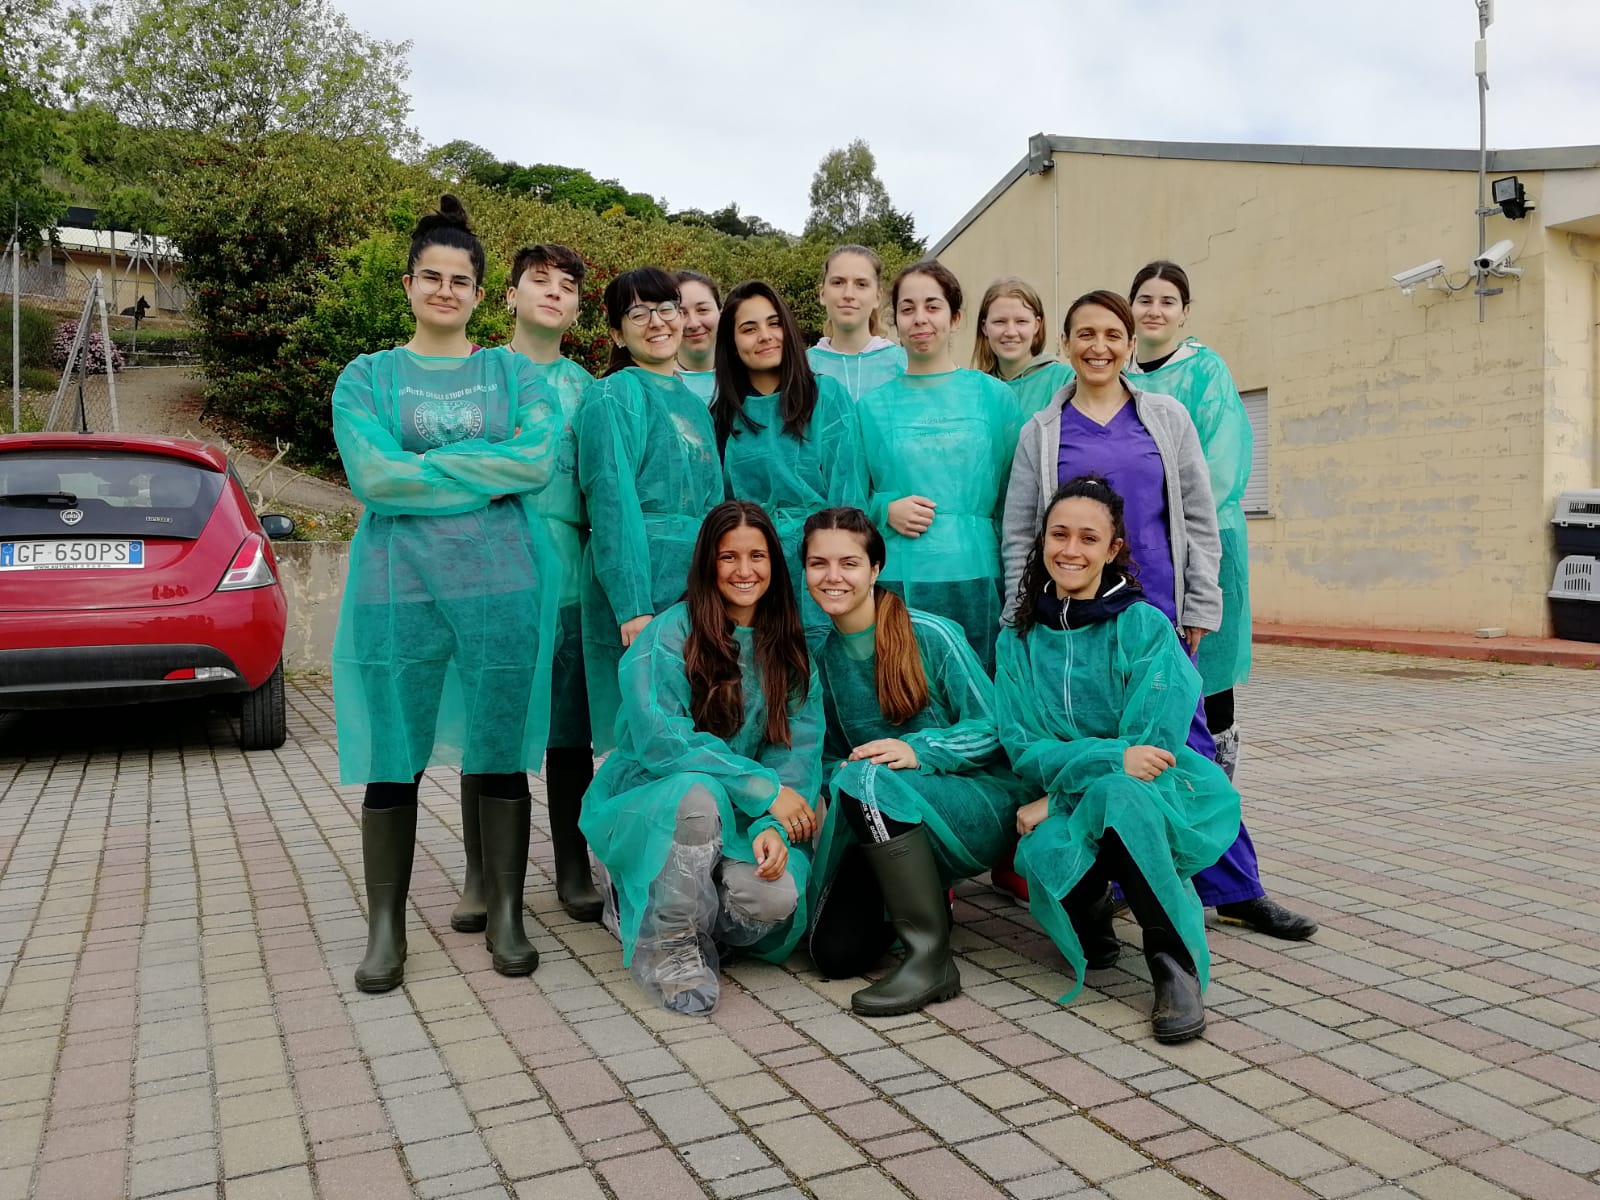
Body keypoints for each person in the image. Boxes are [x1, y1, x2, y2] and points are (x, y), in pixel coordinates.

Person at [1001, 289, 1316, 940]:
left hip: (1156, 613)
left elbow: (1199, 518)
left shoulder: (1165, 418)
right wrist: (1019, 614)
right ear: (1065, 344)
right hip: (1076, 621)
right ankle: (1121, 881)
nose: (1099, 347)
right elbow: (1020, 532)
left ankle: (1236, 889)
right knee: (1108, 746)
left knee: (1186, 748)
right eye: (1085, 334)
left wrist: (1200, 603)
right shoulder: (1042, 431)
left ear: (1129, 344)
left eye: (1112, 335)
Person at [331, 196, 561, 991]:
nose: (445, 290)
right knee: (392, 755)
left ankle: (506, 913)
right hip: (396, 586)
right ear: (408, 284)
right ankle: (386, 930)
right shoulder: (367, 377)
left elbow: (536, 462)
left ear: (479, 292)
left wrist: (425, 468)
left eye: (460, 280)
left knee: (501, 748)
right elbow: (375, 477)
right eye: (431, 276)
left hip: (504, 583)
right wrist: (480, 470)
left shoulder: (512, 372)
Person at [1001, 476, 1241, 1042]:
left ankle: (1173, 964)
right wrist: (1101, 766)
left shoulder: (1143, 626)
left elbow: (1149, 752)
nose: (1071, 550)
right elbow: (1022, 745)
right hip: (1066, 797)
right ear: (1042, 542)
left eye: (1089, 538)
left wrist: (1061, 796)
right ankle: (1093, 918)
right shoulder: (1019, 637)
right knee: (1061, 839)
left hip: (1153, 798)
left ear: (1112, 550)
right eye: (1059, 535)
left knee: (1121, 795)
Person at [579, 501, 824, 1015]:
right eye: (728, 556)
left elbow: (797, 754)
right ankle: (671, 940)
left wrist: (773, 826)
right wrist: (762, 790)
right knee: (697, 793)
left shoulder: (788, 649)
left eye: (757, 556)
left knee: (772, 900)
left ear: (775, 565)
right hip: (658, 800)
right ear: (708, 563)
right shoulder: (669, 635)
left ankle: (676, 908)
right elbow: (662, 740)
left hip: (744, 814)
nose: (744, 570)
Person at [803, 507, 1032, 1015]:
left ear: (875, 569)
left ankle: (931, 959)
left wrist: (918, 751)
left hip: (976, 804)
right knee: (834, 954)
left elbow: (994, 729)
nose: (833, 576)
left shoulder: (930, 633)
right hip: (881, 819)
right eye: (819, 564)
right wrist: (843, 773)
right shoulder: (821, 658)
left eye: (849, 563)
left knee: (868, 778)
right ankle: (922, 902)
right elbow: (826, 757)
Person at [446, 243, 601, 931]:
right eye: (540, 281)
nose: (554, 293)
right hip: (490, 568)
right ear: (508, 295)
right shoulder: (474, 377)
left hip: (568, 574)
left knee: (569, 734)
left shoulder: (590, 391)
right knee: (491, 728)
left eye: (568, 286)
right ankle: (480, 875)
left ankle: (572, 865)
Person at [576, 267, 723, 754]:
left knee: (695, 723)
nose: (657, 322)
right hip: (642, 580)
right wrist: (633, 604)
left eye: (666, 309)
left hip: (696, 583)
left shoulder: (694, 404)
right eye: (638, 313)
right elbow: (611, 500)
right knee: (642, 729)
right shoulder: (613, 394)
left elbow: (714, 504)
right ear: (618, 333)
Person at [857, 260, 1022, 672]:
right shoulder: (871, 407)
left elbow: (1016, 495)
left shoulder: (994, 397)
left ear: (956, 318)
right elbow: (848, 493)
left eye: (932, 306)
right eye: (907, 309)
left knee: (980, 684)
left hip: (979, 572)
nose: (920, 319)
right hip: (900, 572)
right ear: (894, 322)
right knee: (906, 685)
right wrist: (883, 508)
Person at [713, 280, 867, 644]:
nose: (765, 336)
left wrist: (834, 565)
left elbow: (849, 495)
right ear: (731, 343)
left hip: (823, 567)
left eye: (774, 323)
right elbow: (719, 507)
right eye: (749, 329)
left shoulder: (826, 397)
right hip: (754, 572)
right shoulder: (722, 418)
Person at [806, 245, 906, 401]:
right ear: (822, 294)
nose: (848, 294)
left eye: (861, 284)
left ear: (877, 297)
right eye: (838, 282)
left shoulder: (904, 365)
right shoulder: (802, 367)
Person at [974, 277, 1074, 420]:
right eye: (999, 321)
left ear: (1036, 325)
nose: (1010, 332)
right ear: (984, 327)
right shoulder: (976, 388)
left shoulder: (1064, 379)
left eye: (1021, 321)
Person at [675, 270, 722, 405]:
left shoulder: (748, 377)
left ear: (720, 312)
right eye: (681, 313)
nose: (693, 324)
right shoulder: (654, 386)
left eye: (702, 310)